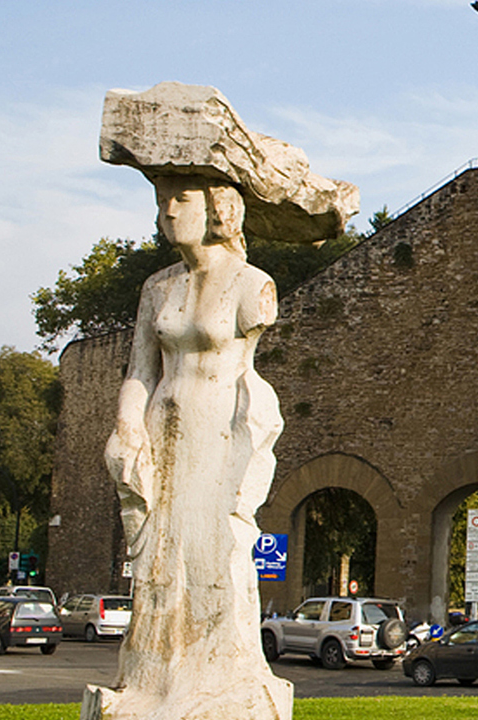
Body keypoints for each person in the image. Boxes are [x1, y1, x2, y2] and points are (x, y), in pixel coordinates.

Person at [103, 174, 290, 717]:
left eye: (179, 199)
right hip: (163, 425)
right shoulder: (157, 287)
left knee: (215, 549)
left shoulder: (251, 283)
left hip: (221, 429)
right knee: (158, 555)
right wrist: (127, 424)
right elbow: (139, 369)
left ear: (216, 209)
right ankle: (153, 676)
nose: (166, 211)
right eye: (162, 200)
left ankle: (219, 675)